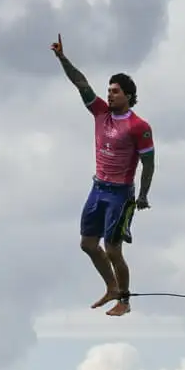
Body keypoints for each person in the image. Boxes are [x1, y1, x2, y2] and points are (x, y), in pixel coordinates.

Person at [50, 33, 154, 317]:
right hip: (98, 188)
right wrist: (62, 58)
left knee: (113, 249)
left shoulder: (138, 126)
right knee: (87, 244)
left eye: (116, 91)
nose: (110, 95)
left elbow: (149, 163)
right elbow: (80, 83)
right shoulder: (100, 113)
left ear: (129, 96)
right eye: (109, 90)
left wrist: (143, 195)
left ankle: (125, 300)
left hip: (120, 194)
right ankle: (111, 287)